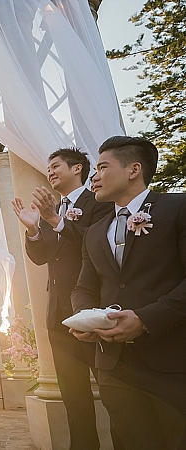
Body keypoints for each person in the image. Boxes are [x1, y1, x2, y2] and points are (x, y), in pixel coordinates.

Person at [70, 136, 186, 450]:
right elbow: (84, 287)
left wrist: (146, 319)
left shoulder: (178, 207)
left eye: (102, 167)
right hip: (114, 366)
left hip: (172, 360)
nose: (93, 177)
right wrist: (86, 319)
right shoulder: (95, 231)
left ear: (133, 169)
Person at [11, 148, 114, 449]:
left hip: (91, 309)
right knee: (73, 396)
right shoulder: (51, 209)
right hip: (58, 314)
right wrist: (33, 228)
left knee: (112, 391)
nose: (51, 172)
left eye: (56, 166)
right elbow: (41, 256)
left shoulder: (98, 202)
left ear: (77, 168)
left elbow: (96, 244)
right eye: (49, 168)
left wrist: (55, 219)